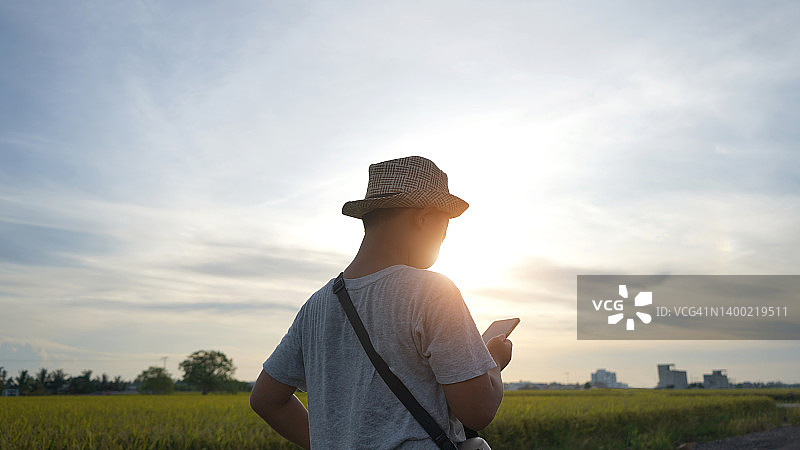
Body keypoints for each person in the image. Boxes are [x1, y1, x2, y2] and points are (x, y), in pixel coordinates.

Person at [250, 156, 513, 449]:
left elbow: (266, 399)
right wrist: (494, 362)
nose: (443, 238)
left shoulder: (316, 306)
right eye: (444, 228)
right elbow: (478, 410)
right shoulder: (433, 291)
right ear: (424, 219)